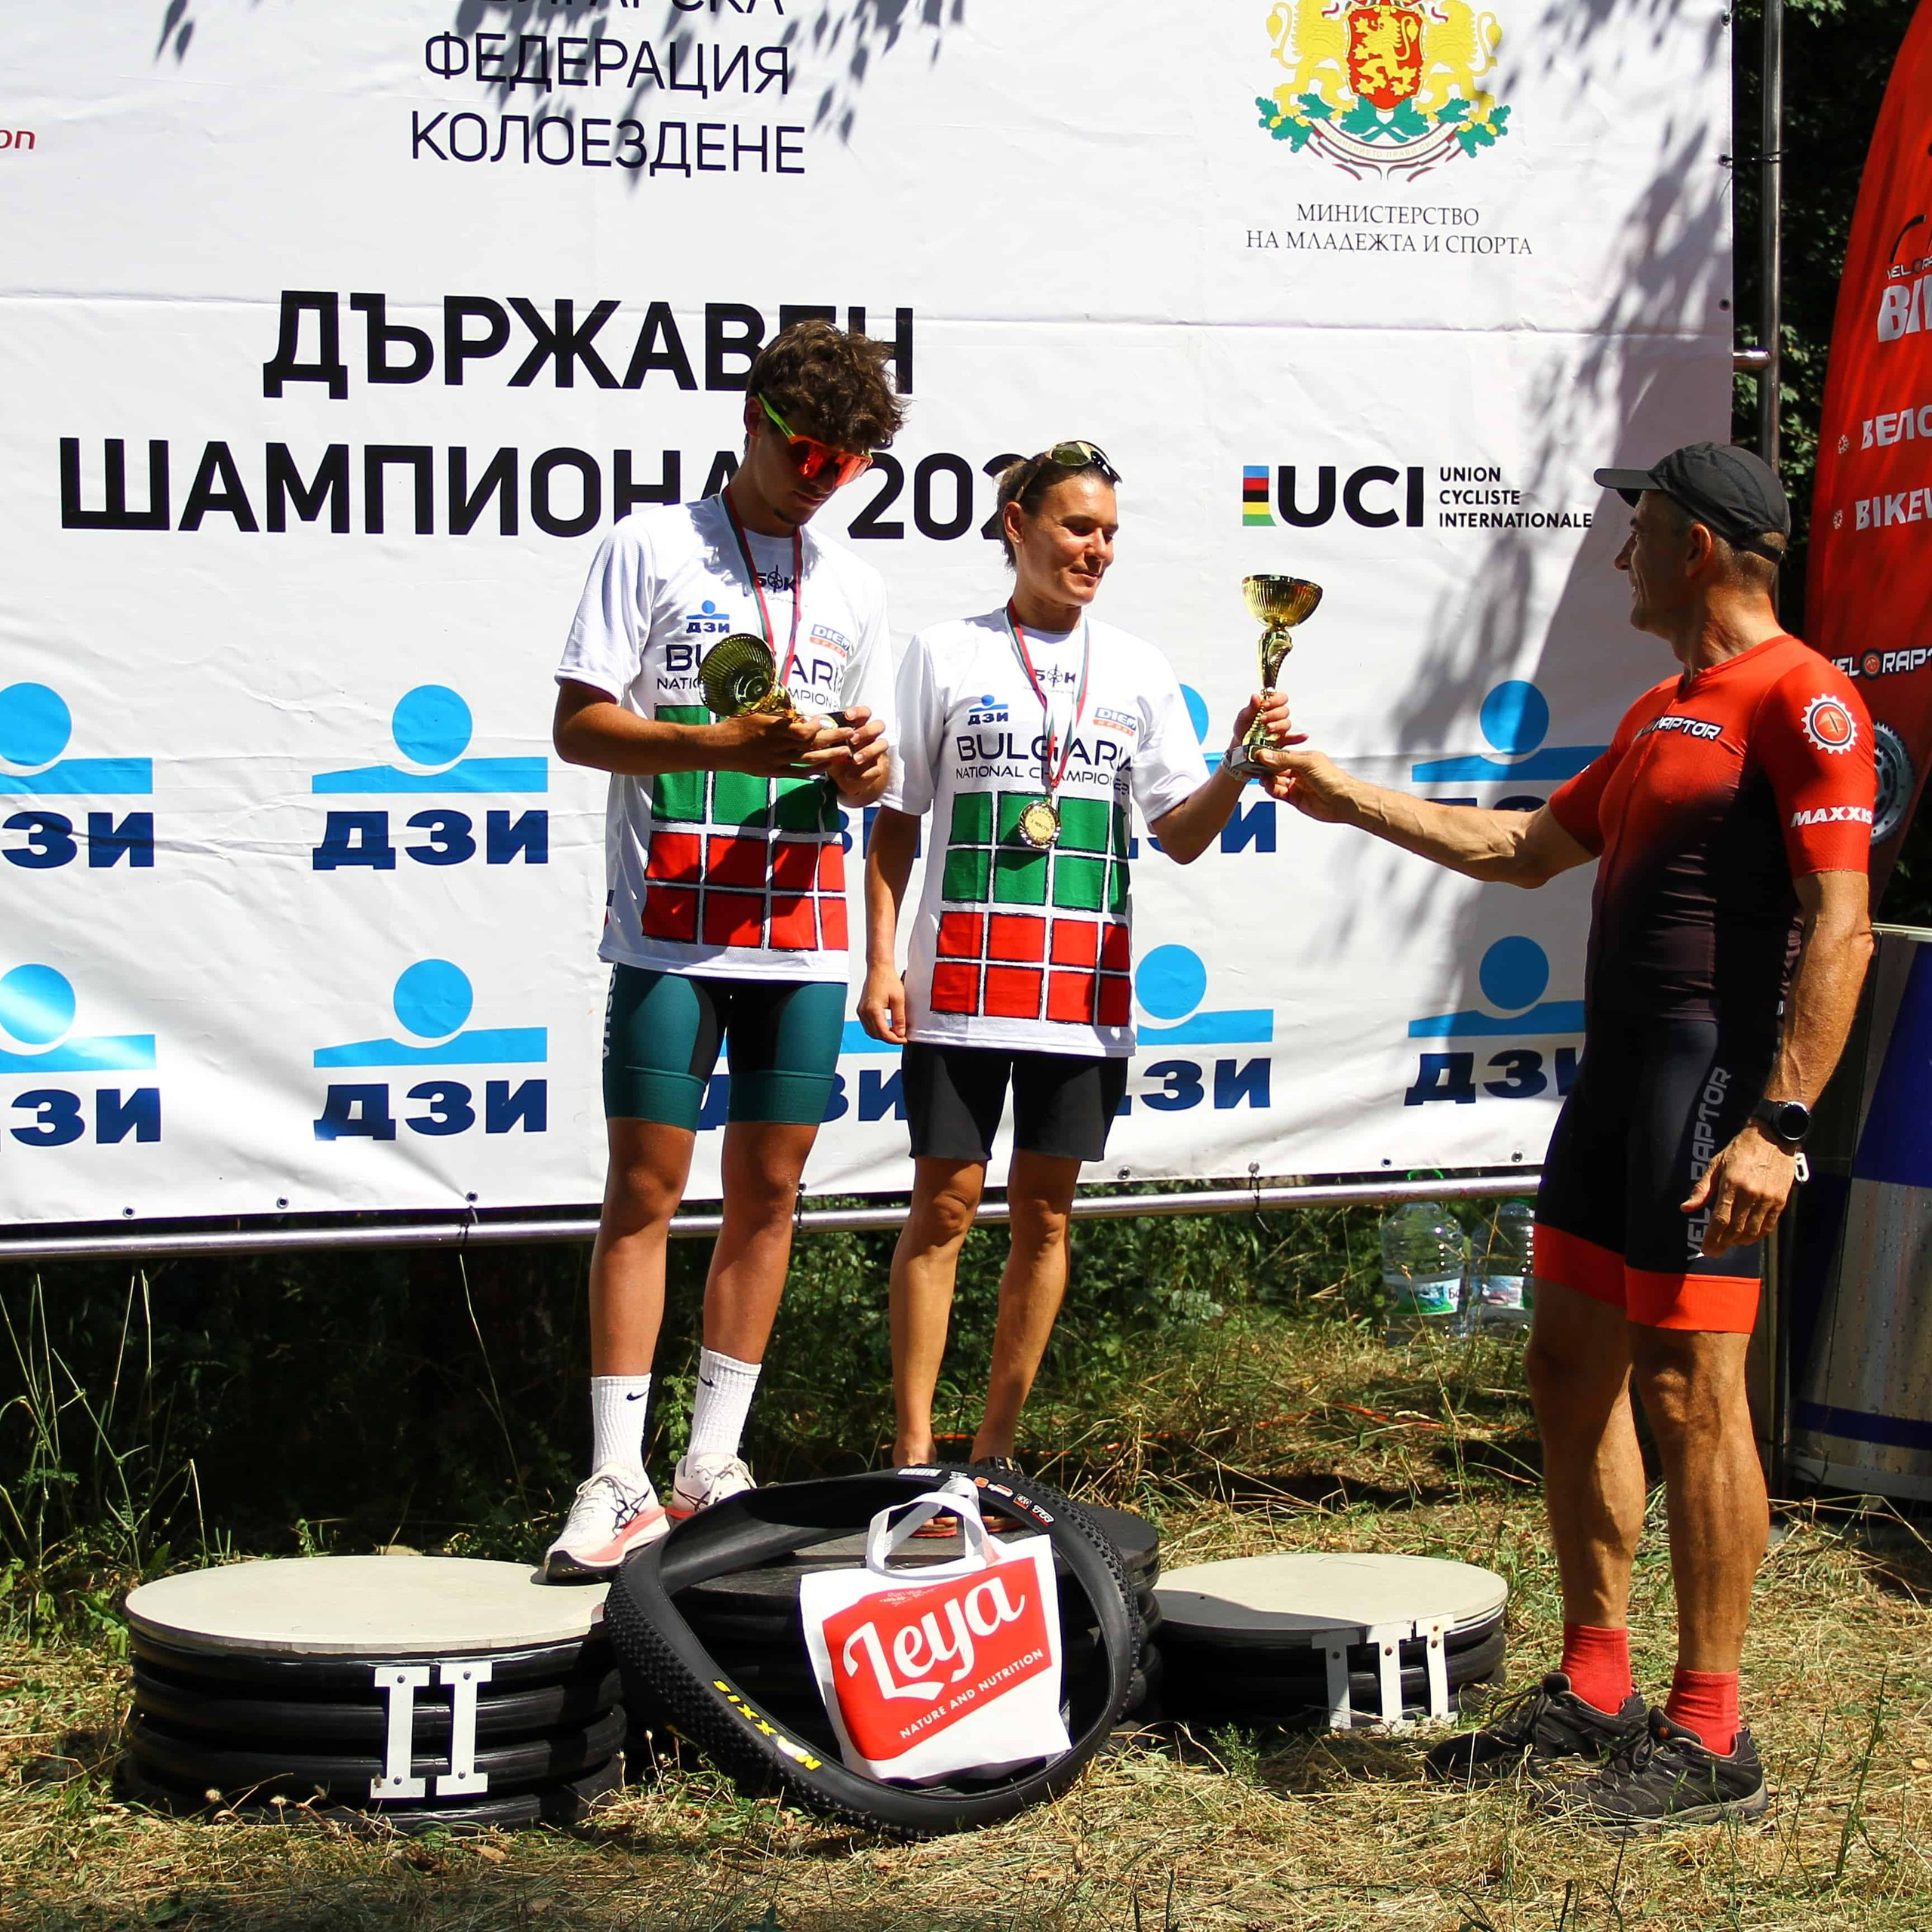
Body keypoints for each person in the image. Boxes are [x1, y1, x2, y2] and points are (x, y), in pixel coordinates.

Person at [1263, 442, 1875, 1828]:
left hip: (1712, 1086)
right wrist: (1341, 793)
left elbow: (1842, 924)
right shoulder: (1665, 709)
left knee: (1691, 1395)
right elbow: (1523, 850)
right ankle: (1596, 1685)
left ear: (1699, 547)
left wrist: (1779, 1123)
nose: (1619, 556)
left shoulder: (1804, 696)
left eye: (1638, 531)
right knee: (1566, 1369)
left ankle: (1711, 1733)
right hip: (1615, 1088)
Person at [543, 320, 903, 1580]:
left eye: (848, 464)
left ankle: (710, 1465)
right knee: (643, 1193)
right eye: (806, 451)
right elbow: (580, 727)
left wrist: (863, 766)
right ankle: (614, 1477)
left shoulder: (853, 585)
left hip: (800, 939)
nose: (821, 479)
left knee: (772, 1195)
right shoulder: (649, 544)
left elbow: (869, 773)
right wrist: (716, 746)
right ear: (753, 420)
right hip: (673, 929)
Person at [859, 441, 1291, 1484]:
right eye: (1076, 527)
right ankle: (915, 1451)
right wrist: (879, 960)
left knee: (1046, 1217)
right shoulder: (945, 653)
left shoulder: (1136, 668)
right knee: (944, 1208)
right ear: (1018, 525)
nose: (1096, 550)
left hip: (1081, 995)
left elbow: (1181, 834)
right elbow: (897, 820)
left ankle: (996, 1455)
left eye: (1108, 534)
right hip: (960, 984)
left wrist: (1238, 765)